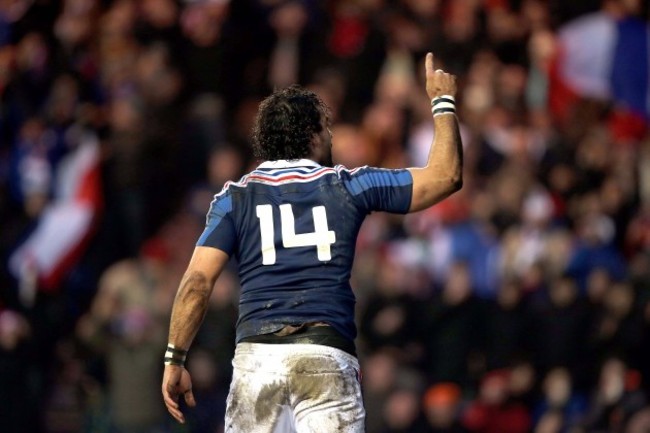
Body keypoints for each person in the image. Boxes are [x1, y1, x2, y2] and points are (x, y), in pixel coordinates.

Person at [161, 52, 462, 432]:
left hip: (258, 362)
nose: (332, 135)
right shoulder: (349, 185)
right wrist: (443, 102)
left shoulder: (234, 198)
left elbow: (197, 283)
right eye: (327, 127)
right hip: (325, 358)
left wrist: (175, 358)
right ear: (314, 135)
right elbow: (445, 177)